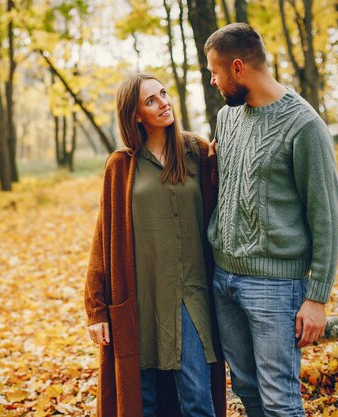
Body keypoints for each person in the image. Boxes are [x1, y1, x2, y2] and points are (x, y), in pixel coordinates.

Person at [204, 23, 338, 417]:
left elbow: (328, 214)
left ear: (237, 68)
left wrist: (316, 296)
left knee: (280, 400)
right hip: (223, 279)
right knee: (247, 390)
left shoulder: (304, 126)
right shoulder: (227, 120)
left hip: (275, 286)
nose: (213, 81)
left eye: (215, 72)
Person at [84, 73, 226, 417]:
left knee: (196, 399)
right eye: (151, 100)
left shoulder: (197, 153)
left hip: (189, 295)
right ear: (136, 114)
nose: (164, 102)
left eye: (163, 94)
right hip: (138, 297)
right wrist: (96, 308)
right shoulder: (122, 165)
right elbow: (104, 237)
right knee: (141, 401)